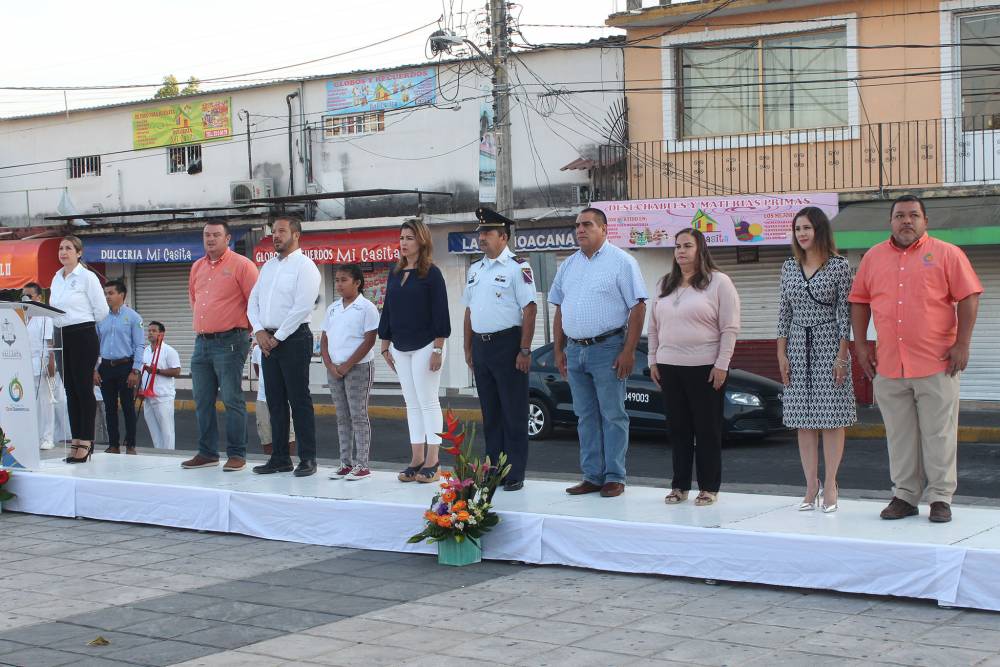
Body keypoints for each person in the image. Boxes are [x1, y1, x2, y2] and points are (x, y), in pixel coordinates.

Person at [850, 194, 982, 524]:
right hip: (890, 364)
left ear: (925, 221)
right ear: (890, 222)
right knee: (899, 435)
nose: (906, 221)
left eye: (913, 215)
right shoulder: (873, 258)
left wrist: (962, 343)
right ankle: (905, 496)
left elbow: (969, 296)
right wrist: (862, 346)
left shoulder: (947, 254)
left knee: (939, 434)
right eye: (899, 216)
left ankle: (940, 498)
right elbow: (860, 301)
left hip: (937, 362)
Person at [550, 207, 647, 498]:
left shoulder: (622, 262)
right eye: (577, 225)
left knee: (613, 415)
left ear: (604, 229)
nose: (580, 229)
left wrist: (629, 350)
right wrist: (558, 350)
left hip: (608, 349)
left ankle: (614, 476)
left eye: (588, 224)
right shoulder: (568, 265)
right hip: (575, 350)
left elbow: (638, 305)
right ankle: (592, 476)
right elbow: (559, 307)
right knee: (585, 416)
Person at [648, 228, 740, 507]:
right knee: (678, 430)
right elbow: (653, 327)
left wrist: (722, 364)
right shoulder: (665, 284)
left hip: (705, 367)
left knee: (707, 430)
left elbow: (730, 327)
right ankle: (679, 486)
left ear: (700, 250)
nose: (681, 251)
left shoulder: (718, 283)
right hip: (669, 366)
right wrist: (653, 359)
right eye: (677, 246)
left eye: (687, 245)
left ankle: (709, 487)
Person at [777, 207, 857, 513]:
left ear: (820, 230)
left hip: (828, 345)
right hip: (797, 345)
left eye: (807, 228)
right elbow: (783, 311)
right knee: (803, 420)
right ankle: (811, 485)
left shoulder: (839, 266)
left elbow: (844, 316)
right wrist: (781, 353)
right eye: (798, 229)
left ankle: (832, 483)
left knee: (832, 418)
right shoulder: (788, 267)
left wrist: (842, 356)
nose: (802, 234)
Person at [462, 207, 537, 492]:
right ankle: (495, 469)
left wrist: (525, 350)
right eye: (480, 233)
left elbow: (529, 310)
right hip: (482, 347)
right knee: (490, 413)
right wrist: (468, 348)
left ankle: (515, 471)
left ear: (503, 236)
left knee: (513, 412)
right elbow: (469, 311)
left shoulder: (518, 267)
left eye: (487, 233)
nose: (481, 237)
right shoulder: (475, 269)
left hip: (509, 345)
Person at [248, 215, 321, 477]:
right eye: (273, 232)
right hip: (267, 340)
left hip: (293, 339)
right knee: (275, 402)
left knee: (299, 400)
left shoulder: (306, 267)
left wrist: (277, 337)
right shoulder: (267, 267)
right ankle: (280, 458)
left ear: (296, 235)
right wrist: (259, 332)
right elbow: (252, 301)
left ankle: (308, 458)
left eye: (280, 231)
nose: (275, 236)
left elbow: (302, 307)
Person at [378, 218, 451, 484]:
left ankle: (434, 459)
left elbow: (441, 312)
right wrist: (384, 342)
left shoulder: (431, 273)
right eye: (401, 238)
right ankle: (416, 458)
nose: (403, 243)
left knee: (428, 401)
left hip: (427, 344)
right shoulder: (395, 273)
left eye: (409, 238)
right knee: (411, 403)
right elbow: (389, 307)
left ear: (421, 240)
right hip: (401, 345)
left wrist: (438, 349)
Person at [184, 221, 259, 472]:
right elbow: (194, 298)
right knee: (202, 399)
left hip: (231, 341)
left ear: (228, 238)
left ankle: (237, 453)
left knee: (231, 398)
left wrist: (246, 333)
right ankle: (207, 452)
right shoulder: (197, 266)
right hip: (201, 342)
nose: (211, 239)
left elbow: (255, 301)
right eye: (206, 235)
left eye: (216, 235)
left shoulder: (242, 265)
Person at [49, 235, 109, 463]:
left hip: (82, 333)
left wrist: (83, 323)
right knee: (70, 391)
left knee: (84, 389)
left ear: (79, 252)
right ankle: (75, 440)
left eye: (68, 248)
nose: (63, 252)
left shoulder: (87, 277)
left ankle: (87, 441)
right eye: (60, 248)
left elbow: (101, 310)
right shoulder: (56, 278)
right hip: (61, 335)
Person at [321, 264, 379, 481]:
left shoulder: (366, 308)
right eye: (336, 280)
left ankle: (362, 463)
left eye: (344, 280)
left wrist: (347, 365)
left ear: (357, 283)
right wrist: (329, 365)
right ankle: (345, 463)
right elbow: (325, 338)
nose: (339, 284)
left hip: (359, 367)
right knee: (341, 416)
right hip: (334, 369)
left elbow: (369, 340)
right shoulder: (333, 308)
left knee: (358, 415)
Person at [95, 279, 145, 455]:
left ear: (121, 295)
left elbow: (140, 345)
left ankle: (130, 444)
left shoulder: (133, 317)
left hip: (126, 367)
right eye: (105, 293)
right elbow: (96, 345)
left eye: (111, 293)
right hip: (106, 367)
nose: (107, 296)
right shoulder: (101, 318)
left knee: (128, 407)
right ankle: (113, 444)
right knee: (109, 408)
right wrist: (94, 369)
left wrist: (136, 370)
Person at [23, 283, 57, 450]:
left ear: (39, 298)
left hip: (42, 362)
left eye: (29, 296)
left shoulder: (45, 317)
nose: (25, 299)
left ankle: (48, 437)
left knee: (46, 402)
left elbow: (50, 344)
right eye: (24, 295)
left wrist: (50, 365)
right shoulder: (21, 316)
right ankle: (33, 436)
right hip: (25, 365)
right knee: (30, 403)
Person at [138, 321, 181, 450]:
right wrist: (139, 390)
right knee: (154, 431)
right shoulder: (145, 351)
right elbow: (141, 371)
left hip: (163, 397)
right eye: (149, 331)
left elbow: (177, 371)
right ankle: (158, 454)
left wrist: (158, 371)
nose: (150, 333)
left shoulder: (169, 351)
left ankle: (168, 456)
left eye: (154, 331)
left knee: (167, 431)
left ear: (161, 334)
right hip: (148, 397)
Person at [251, 343, 297, 457]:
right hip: (262, 398)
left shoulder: (286, 346)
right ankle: (270, 461)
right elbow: (257, 370)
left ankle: (288, 461)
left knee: (288, 434)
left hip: (283, 398)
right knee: (265, 435)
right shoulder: (257, 349)